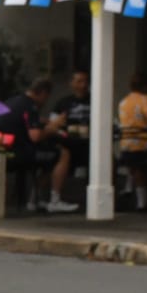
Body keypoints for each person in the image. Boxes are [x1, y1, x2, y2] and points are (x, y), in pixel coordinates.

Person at [0, 76, 59, 212]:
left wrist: (42, 122)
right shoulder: (30, 106)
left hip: (4, 149)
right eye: (46, 97)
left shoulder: (12, 102)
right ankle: (38, 197)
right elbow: (35, 136)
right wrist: (50, 131)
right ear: (43, 93)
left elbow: (22, 120)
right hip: (21, 153)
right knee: (58, 154)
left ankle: (30, 196)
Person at [45, 70, 91, 212]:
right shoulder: (63, 103)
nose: (82, 85)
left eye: (85, 81)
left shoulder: (95, 100)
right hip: (68, 142)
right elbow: (52, 125)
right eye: (79, 81)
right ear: (71, 84)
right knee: (62, 154)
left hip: (90, 143)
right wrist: (59, 124)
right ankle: (54, 198)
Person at [117, 72, 147, 210]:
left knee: (132, 164)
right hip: (141, 141)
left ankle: (129, 185)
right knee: (140, 168)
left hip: (126, 142)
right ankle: (142, 201)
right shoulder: (146, 99)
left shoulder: (124, 102)